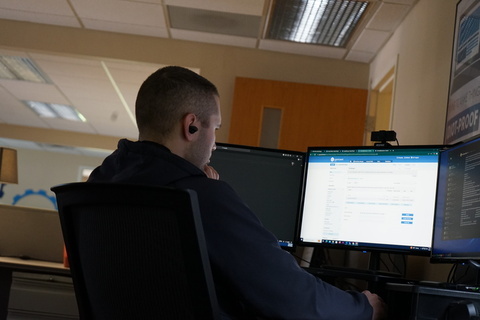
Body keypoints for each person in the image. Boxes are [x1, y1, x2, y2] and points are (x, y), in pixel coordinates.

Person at [87, 66, 387, 319]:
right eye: (215, 128)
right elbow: (290, 294)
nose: (215, 143)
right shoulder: (198, 196)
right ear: (191, 126)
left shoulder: (99, 186)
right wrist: (363, 307)